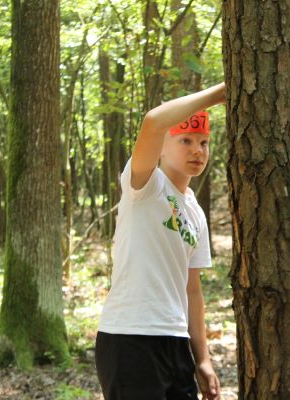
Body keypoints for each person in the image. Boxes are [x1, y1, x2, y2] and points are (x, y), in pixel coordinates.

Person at [95, 83, 226, 400]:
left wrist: (203, 359)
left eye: (204, 143)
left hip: (176, 341)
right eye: (186, 141)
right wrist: (220, 93)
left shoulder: (194, 210)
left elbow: (192, 290)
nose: (198, 150)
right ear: (162, 147)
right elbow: (153, 121)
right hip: (130, 337)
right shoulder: (145, 185)